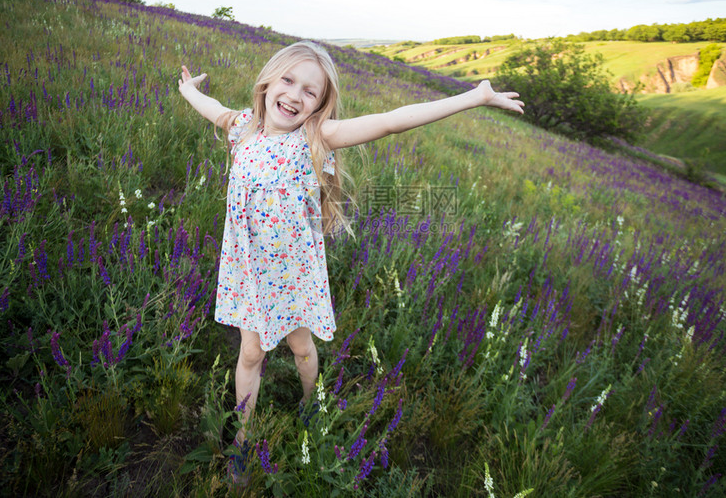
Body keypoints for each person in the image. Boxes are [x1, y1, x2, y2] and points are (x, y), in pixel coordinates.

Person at [177, 40, 523, 485]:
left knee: (302, 348)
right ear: (267, 82)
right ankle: (241, 443)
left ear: (320, 105)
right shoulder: (243, 126)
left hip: (293, 274)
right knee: (250, 352)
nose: (295, 95)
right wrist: (189, 90)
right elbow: (213, 107)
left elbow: (390, 122)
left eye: (310, 92)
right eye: (288, 81)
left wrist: (475, 97)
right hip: (248, 270)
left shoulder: (315, 136)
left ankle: (310, 402)